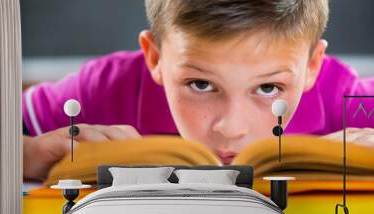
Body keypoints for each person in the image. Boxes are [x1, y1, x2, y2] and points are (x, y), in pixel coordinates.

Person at [23, 0, 374, 181]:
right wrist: (20, 155)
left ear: (312, 66)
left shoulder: (339, 92)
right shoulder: (106, 87)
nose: (231, 127)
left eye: (269, 87)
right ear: (156, 57)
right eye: (201, 84)